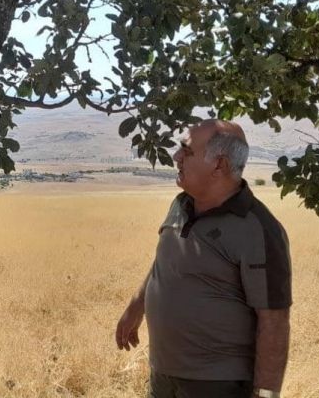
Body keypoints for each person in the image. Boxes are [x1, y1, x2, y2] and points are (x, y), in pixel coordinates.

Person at [115, 119, 291, 398]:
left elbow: (274, 321)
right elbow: (166, 261)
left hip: (216, 385)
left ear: (218, 165)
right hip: (164, 373)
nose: (176, 157)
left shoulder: (258, 229)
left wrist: (266, 395)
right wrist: (136, 307)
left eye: (186, 150)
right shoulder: (180, 204)